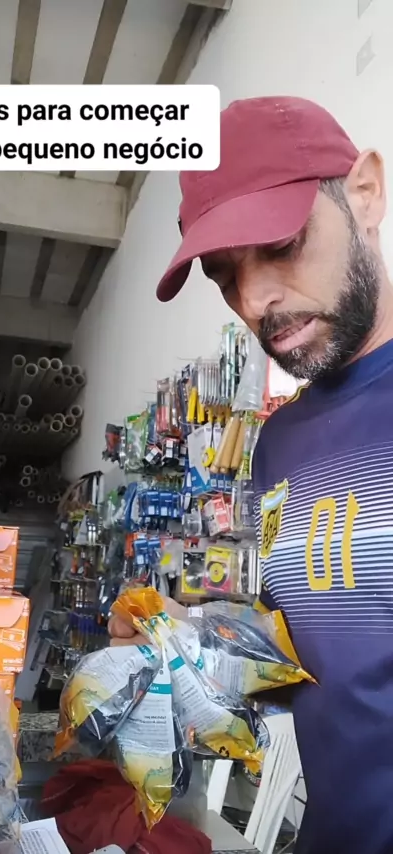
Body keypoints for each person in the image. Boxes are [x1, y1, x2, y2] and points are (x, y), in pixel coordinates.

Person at [108, 95, 393, 854]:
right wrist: (181, 640)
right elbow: (308, 651)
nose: (256, 299)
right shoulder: (280, 442)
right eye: (225, 275)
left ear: (366, 192)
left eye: (282, 243)